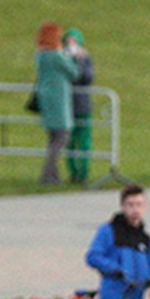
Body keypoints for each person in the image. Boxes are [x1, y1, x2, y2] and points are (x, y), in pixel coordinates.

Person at [85, 182, 150, 299]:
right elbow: (93, 256)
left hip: (136, 297)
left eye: (139, 204)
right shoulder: (108, 231)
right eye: (130, 205)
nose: (135, 209)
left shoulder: (145, 238)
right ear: (122, 206)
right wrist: (114, 269)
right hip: (114, 297)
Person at [34, 21, 78, 186]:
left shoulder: (40, 55)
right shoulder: (56, 56)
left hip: (46, 98)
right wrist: (72, 55)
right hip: (58, 100)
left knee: (53, 138)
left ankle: (54, 175)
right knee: (61, 137)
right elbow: (73, 73)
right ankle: (47, 174)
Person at [63, 28, 94, 184]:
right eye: (68, 41)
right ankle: (72, 172)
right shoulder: (62, 58)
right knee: (68, 142)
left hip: (82, 105)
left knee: (84, 141)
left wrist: (80, 61)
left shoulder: (86, 59)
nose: (71, 44)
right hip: (66, 106)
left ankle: (84, 173)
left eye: (74, 41)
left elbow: (87, 78)